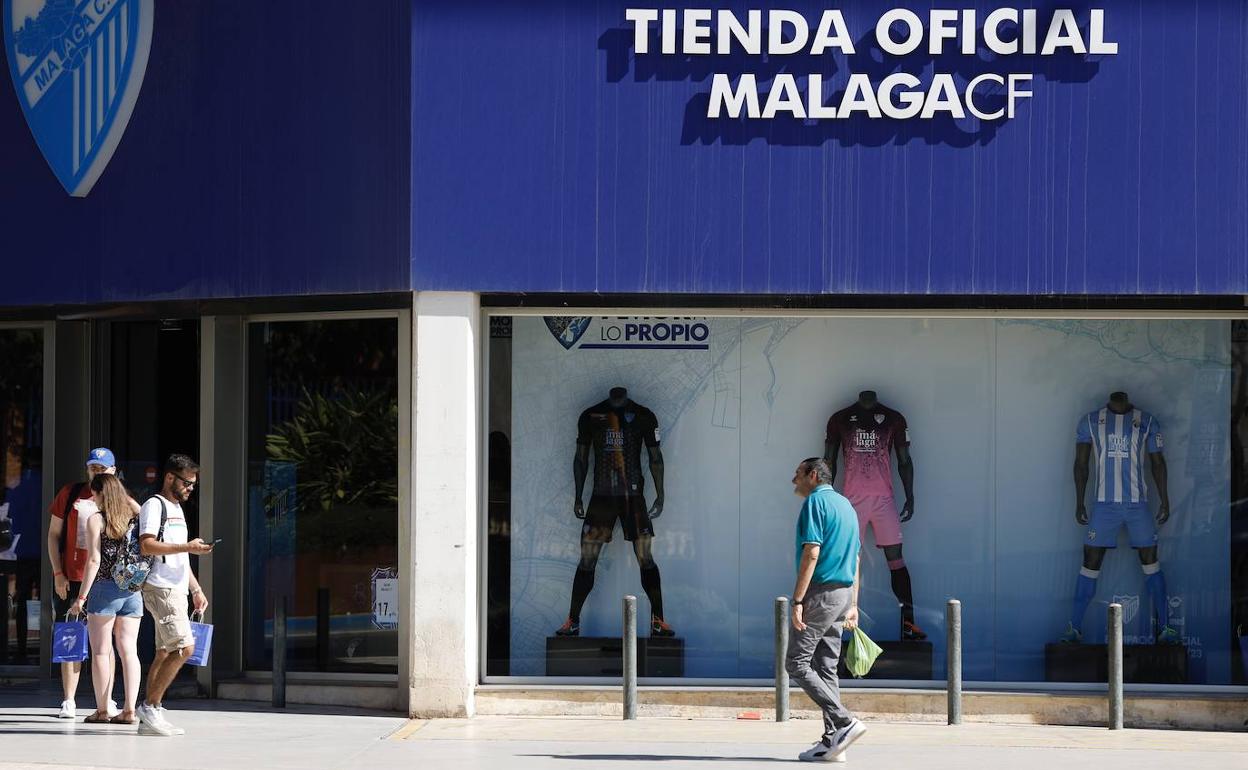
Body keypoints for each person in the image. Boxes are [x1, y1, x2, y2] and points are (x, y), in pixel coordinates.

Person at [786, 458, 867, 763]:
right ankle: (834, 743)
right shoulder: (846, 505)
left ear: (813, 475)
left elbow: (812, 551)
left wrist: (797, 601)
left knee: (795, 662)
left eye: (797, 474)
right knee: (826, 666)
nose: (794, 480)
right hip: (843, 595)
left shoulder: (814, 503)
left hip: (821, 593)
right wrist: (854, 604)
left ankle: (845, 722)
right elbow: (856, 557)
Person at [137, 454, 212, 737]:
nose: (191, 488)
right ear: (170, 477)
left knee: (164, 651)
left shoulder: (177, 509)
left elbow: (181, 557)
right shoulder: (154, 505)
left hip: (177, 587)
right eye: (187, 483)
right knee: (184, 648)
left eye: (193, 484)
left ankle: (149, 713)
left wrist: (195, 588)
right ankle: (150, 706)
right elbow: (147, 546)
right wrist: (186, 546)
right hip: (160, 586)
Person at [46, 448, 121, 720]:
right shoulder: (70, 493)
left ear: (113, 470)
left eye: (103, 469)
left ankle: (107, 698)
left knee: (105, 643)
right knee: (70, 637)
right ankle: (68, 699)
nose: (97, 473)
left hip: (106, 581)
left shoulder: (122, 500)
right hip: (72, 577)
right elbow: (53, 535)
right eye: (93, 468)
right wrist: (58, 573)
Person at [70, 474, 145, 725]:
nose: (92, 497)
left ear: (102, 494)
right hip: (132, 590)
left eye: (95, 493)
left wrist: (81, 597)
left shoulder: (97, 520)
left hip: (104, 589)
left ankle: (102, 710)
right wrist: (120, 493)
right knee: (129, 652)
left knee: (101, 652)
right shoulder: (133, 519)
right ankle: (130, 710)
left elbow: (94, 561)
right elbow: (141, 509)